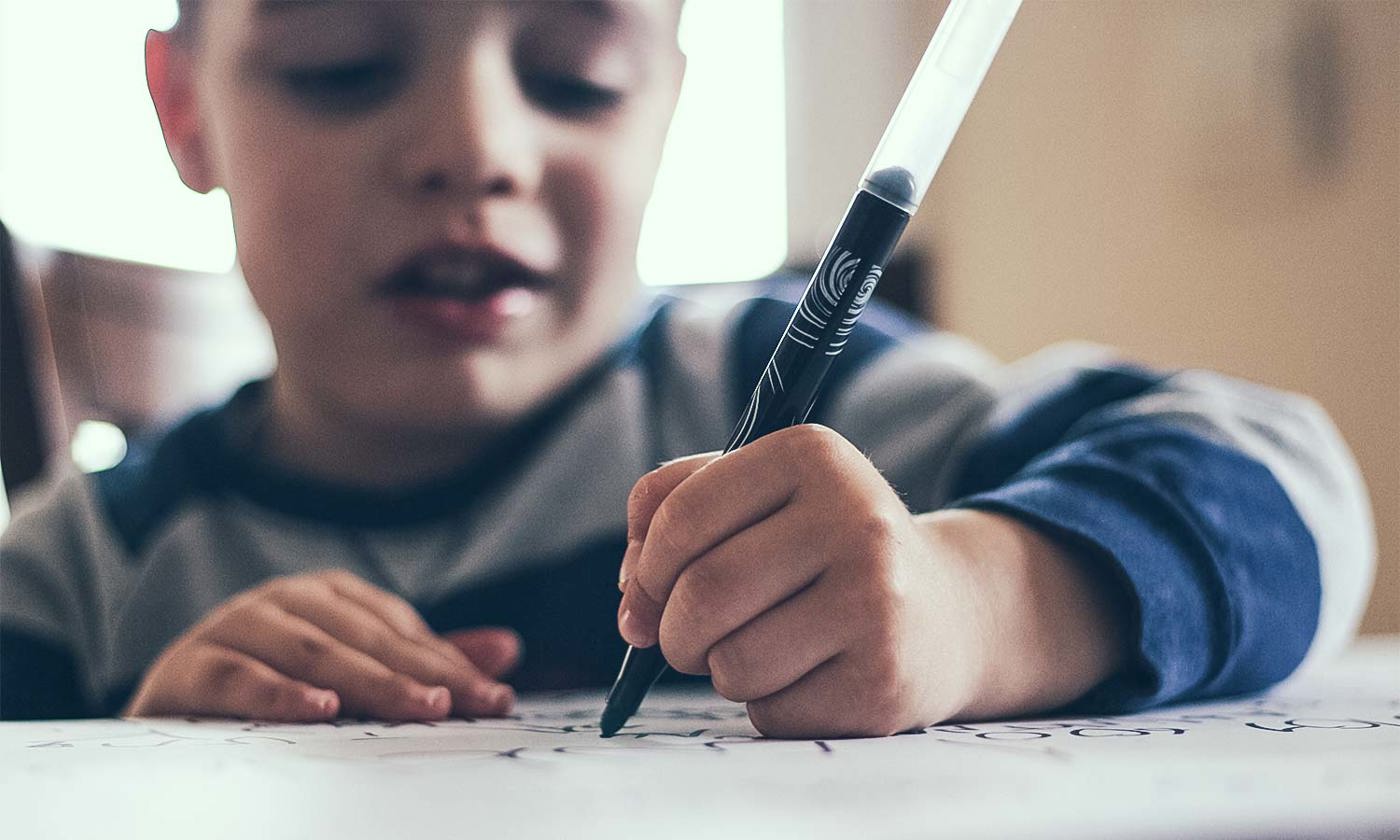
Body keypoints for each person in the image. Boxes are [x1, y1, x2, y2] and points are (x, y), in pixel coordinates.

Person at [0, 0, 1374, 737]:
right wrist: (134, 764)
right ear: (184, 110)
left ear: (667, 98)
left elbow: (1291, 478)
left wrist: (977, 601)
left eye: (578, 73)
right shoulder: (81, 572)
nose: (476, 146)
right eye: (345, 65)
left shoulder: (778, 393)